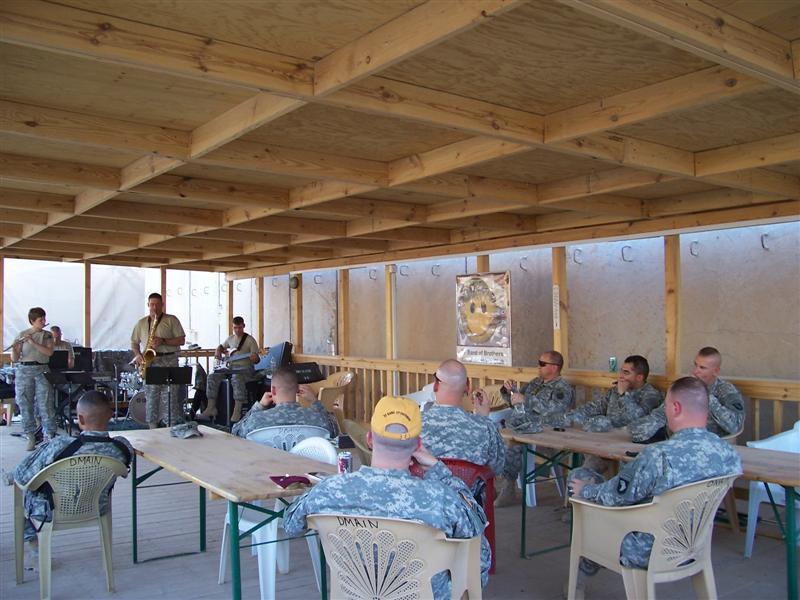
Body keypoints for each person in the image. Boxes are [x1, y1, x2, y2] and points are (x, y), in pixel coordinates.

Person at [283, 395, 491, 599]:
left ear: (370, 439)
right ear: (418, 445)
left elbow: (291, 525)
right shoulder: (441, 499)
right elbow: (479, 551)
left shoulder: (329, 490)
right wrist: (439, 470)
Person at [568, 377, 741, 591]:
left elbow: (617, 496)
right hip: (694, 545)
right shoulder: (729, 454)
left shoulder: (658, 456)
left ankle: (580, 576)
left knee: (582, 479)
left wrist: (586, 490)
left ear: (675, 408)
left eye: (665, 405)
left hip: (645, 549)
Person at [14, 391, 133, 547]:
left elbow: (23, 476)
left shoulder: (60, 444)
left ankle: (32, 540)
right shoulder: (122, 448)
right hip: (97, 507)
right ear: (111, 416)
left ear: (81, 419)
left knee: (23, 488)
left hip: (50, 511)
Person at [495, 350, 574, 506]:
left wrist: (526, 400)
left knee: (514, 444)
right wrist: (509, 390)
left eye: (542, 364)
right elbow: (515, 401)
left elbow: (555, 410)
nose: (538, 367)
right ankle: (499, 487)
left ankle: (508, 488)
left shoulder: (562, 388)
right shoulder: (535, 383)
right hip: (524, 427)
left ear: (554, 367)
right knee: (496, 440)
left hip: (546, 431)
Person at [568, 355, 663, 474]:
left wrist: (623, 395)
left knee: (625, 481)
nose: (621, 376)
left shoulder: (651, 395)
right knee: (581, 473)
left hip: (632, 448)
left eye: (626, 372)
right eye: (621, 371)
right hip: (607, 442)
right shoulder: (616, 390)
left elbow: (639, 419)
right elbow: (596, 407)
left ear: (639, 377)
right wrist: (570, 416)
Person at [628, 347, 745, 442]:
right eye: (695, 365)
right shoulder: (685, 388)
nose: (695, 371)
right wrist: (638, 430)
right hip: (675, 445)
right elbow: (660, 415)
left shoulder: (726, 391)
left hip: (709, 449)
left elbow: (735, 426)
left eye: (702, 368)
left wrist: (706, 396)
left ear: (716, 371)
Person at [421, 359, 505, 477]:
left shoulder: (414, 425)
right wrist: (483, 419)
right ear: (468, 387)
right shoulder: (485, 427)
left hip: (427, 493)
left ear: (435, 386)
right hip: (469, 494)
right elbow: (498, 468)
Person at [231, 367, 337, 439]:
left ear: (273, 390)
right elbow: (334, 431)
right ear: (297, 390)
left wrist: (258, 407)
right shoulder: (317, 418)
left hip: (266, 469)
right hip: (306, 470)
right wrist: (315, 401)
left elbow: (235, 432)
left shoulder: (256, 419)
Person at [130, 293, 186, 428]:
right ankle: (152, 427)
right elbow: (134, 342)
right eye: (152, 304)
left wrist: (163, 340)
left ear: (162, 305)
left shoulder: (171, 320)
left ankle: (170, 426)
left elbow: (181, 340)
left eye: (157, 304)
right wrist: (137, 355)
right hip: (150, 361)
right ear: (148, 305)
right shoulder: (141, 323)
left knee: (171, 396)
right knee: (151, 396)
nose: (154, 307)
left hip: (169, 359)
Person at [198, 316, 261, 423]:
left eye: (240, 328)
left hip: (244, 369)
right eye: (235, 328)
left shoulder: (250, 340)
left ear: (244, 326)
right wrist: (218, 350)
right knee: (212, 376)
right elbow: (222, 346)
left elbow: (256, 360)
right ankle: (211, 407)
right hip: (230, 367)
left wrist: (255, 358)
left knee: (237, 378)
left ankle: (237, 410)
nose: (237, 330)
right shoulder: (230, 338)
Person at [11, 307, 55, 451]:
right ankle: (30, 435)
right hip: (24, 370)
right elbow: (15, 358)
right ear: (32, 321)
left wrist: (33, 342)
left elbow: (48, 352)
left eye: (44, 319)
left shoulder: (47, 335)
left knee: (45, 403)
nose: (43, 321)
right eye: (40, 319)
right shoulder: (22, 334)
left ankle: (49, 434)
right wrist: (16, 348)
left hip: (41, 369)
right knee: (25, 403)